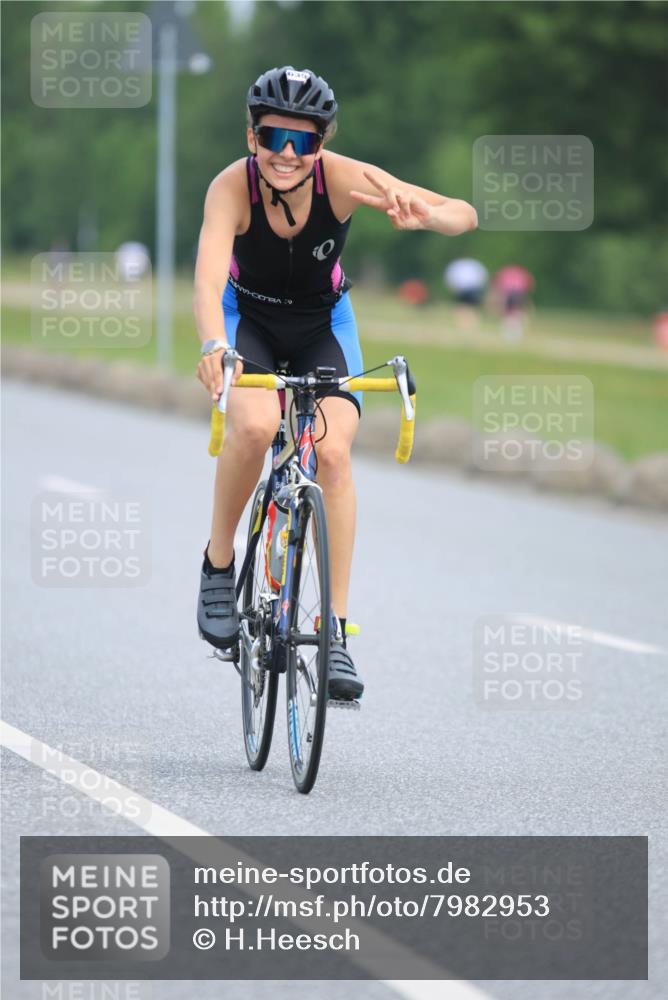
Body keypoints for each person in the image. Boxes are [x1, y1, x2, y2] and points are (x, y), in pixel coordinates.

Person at [194, 66, 477, 700]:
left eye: (304, 141)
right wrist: (214, 344)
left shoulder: (344, 179)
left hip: (324, 322)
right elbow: (209, 279)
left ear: (321, 144)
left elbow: (464, 215)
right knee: (257, 423)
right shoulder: (230, 188)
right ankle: (218, 564)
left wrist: (423, 216)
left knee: (334, 452)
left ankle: (334, 633)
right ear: (251, 137)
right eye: (274, 138)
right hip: (248, 322)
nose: (287, 155)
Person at [491, 264, 535, 342]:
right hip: (518, 294)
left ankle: (511, 330)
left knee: (509, 313)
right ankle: (516, 329)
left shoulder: (505, 273)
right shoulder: (521, 273)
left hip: (510, 294)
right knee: (517, 312)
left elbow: (498, 286)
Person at [443, 257, 488, 329]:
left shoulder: (459, 265)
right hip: (466, 289)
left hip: (466, 288)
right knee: (467, 307)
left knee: (465, 307)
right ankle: (467, 324)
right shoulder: (472, 265)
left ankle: (466, 324)